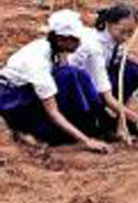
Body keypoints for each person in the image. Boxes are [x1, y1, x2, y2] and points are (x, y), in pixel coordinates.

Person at [0, 10, 112, 153]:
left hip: (23, 92)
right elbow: (53, 112)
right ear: (61, 40)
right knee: (68, 75)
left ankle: (96, 122)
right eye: (76, 40)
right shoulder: (38, 63)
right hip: (12, 99)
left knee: (78, 74)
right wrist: (86, 141)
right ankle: (44, 134)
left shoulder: (53, 48)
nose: (80, 43)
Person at [69, 3, 138, 144]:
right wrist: (136, 118)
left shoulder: (114, 40)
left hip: (97, 85)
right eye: (122, 31)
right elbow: (105, 95)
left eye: (130, 33)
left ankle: (126, 119)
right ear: (108, 24)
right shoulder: (94, 46)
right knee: (94, 123)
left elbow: (121, 60)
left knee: (134, 70)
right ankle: (99, 121)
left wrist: (122, 123)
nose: (126, 37)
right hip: (78, 93)